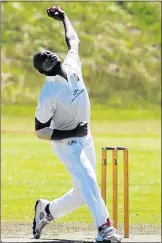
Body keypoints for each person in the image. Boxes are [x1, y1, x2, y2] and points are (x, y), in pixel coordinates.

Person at [32, 5, 121, 243]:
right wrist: (72, 130)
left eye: (48, 52)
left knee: (84, 192)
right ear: (43, 71)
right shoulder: (48, 93)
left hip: (85, 136)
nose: (48, 55)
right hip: (66, 142)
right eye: (43, 59)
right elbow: (40, 131)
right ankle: (105, 228)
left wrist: (64, 18)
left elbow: (73, 39)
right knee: (90, 180)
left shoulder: (72, 65)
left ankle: (47, 210)